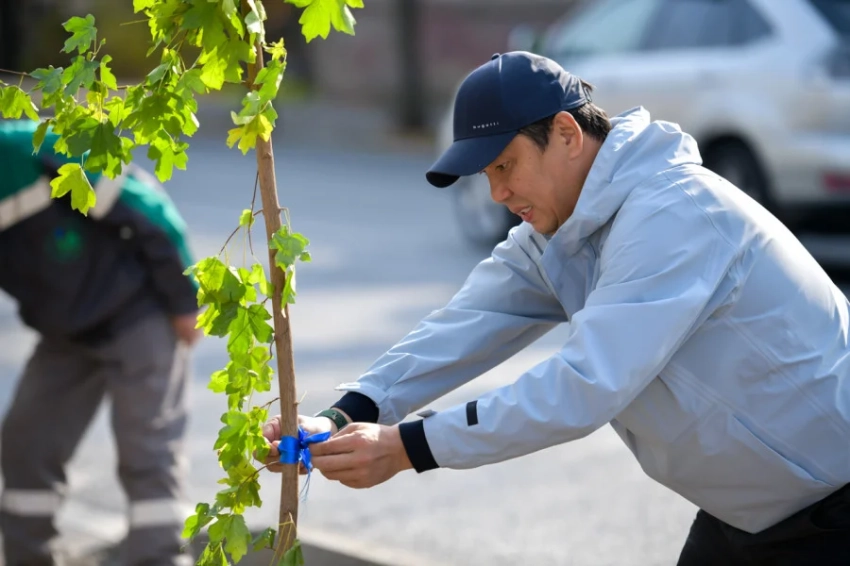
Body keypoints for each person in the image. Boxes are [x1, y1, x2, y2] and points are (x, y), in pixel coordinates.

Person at [261, 52, 850, 564]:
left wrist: (407, 448)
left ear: (567, 134)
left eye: (505, 165)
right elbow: (461, 327)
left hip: (831, 506)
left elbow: (585, 385)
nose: (496, 193)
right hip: (748, 512)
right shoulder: (560, 232)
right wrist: (341, 416)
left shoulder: (675, 213)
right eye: (487, 174)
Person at [0, 119, 200, 566]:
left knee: (147, 453)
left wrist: (185, 303)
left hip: (139, 315)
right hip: (65, 334)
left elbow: (146, 206)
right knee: (25, 446)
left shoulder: (27, 150)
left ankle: (160, 560)